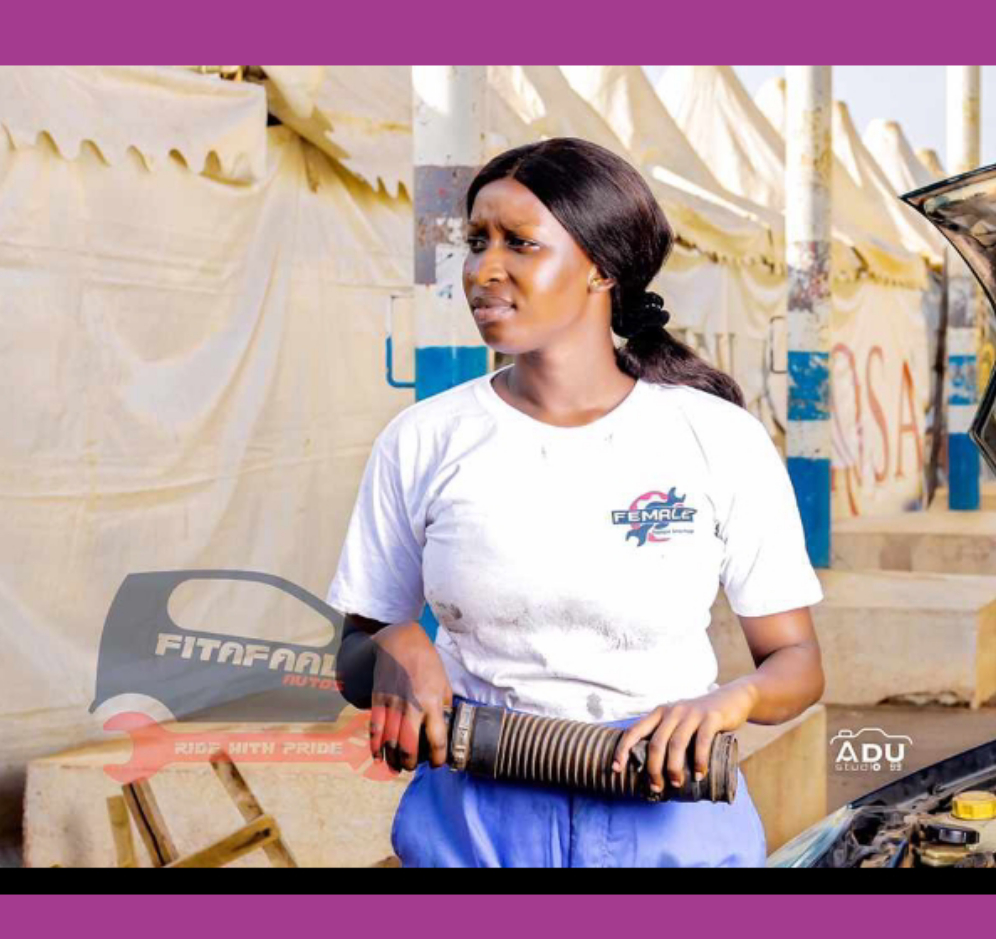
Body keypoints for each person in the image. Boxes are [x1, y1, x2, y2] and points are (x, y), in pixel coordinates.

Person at [327, 137, 825, 867]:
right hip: (475, 823)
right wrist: (393, 647)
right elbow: (353, 654)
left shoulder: (715, 438)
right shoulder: (424, 441)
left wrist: (731, 703)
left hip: (668, 822)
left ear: (601, 267)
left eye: (519, 244)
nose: (482, 270)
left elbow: (797, 662)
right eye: (476, 242)